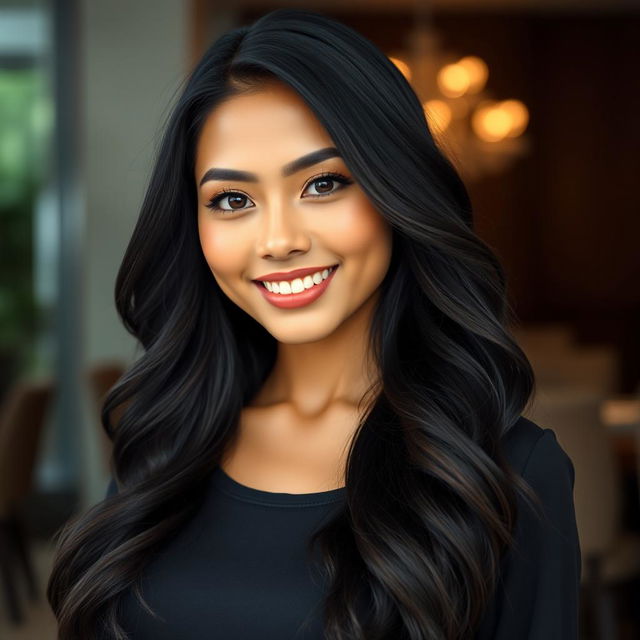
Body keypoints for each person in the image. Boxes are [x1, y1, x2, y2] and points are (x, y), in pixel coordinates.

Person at [47, 8, 581, 639]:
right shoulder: (166, 440)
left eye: (323, 184)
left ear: (396, 191)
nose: (277, 240)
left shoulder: (507, 469)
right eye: (233, 200)